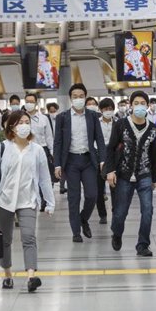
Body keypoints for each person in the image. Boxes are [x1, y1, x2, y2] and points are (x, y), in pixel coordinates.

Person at [0, 111, 55, 293]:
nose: (24, 125)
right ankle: (7, 274)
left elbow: (44, 178)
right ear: (11, 127)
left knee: (29, 237)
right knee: (5, 240)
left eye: (27, 122)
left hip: (28, 200)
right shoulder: (1, 148)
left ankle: (31, 276)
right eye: (20, 122)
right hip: (4, 200)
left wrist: (50, 201)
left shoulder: (37, 149)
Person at [105, 91, 156, 257]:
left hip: (145, 174)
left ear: (147, 105)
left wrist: (154, 177)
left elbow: (155, 154)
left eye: (143, 103)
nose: (140, 106)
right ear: (131, 105)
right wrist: (110, 170)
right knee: (120, 211)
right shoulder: (121, 124)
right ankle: (117, 232)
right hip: (124, 174)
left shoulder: (153, 128)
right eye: (136, 103)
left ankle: (143, 244)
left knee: (148, 210)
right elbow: (111, 149)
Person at [53, 84, 107, 243]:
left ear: (85, 97)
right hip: (71, 162)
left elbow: (100, 140)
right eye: (75, 96)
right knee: (73, 198)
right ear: (70, 98)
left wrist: (103, 160)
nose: (78, 99)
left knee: (92, 195)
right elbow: (57, 142)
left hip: (89, 160)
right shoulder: (62, 117)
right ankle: (76, 232)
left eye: (81, 96)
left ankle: (83, 218)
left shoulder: (92, 116)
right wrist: (57, 164)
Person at [24, 93, 55, 212]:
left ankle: (44, 200)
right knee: (29, 175)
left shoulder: (44, 119)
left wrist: (52, 152)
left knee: (43, 176)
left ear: (36, 103)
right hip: (26, 149)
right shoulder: (21, 118)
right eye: (27, 101)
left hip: (42, 149)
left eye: (32, 101)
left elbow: (49, 136)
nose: (29, 104)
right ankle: (31, 198)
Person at [96, 97, 117, 224]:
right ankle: (102, 214)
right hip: (98, 156)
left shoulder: (118, 123)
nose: (108, 111)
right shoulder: (95, 123)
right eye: (105, 109)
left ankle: (115, 211)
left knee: (114, 186)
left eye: (110, 109)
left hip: (114, 157)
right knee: (99, 188)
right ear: (101, 110)